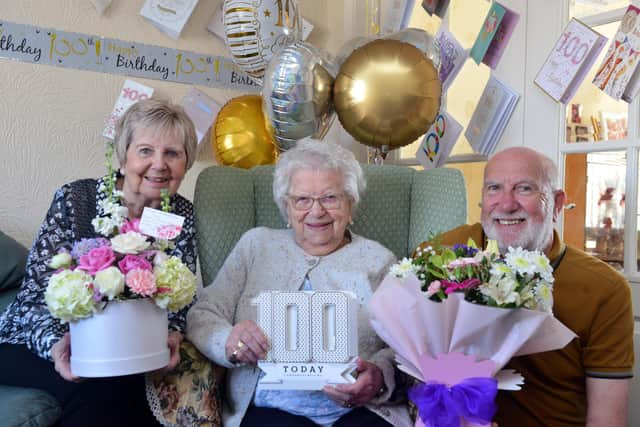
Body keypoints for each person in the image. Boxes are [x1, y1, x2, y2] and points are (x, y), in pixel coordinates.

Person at [0, 98, 199, 426]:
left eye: (173, 153)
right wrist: (57, 346)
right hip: (31, 341)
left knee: (139, 391)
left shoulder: (178, 213)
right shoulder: (77, 199)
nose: (159, 164)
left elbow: (178, 296)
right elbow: (35, 298)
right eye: (146, 150)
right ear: (123, 158)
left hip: (124, 348)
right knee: (101, 393)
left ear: (186, 164)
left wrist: (173, 334)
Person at [187, 139, 412, 427]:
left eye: (330, 198)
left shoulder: (379, 261)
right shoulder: (256, 245)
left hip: (360, 410)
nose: (316, 212)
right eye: (302, 200)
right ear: (286, 206)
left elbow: (408, 345)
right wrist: (229, 340)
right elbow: (203, 314)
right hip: (272, 410)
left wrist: (379, 377)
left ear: (350, 204)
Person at [418, 147, 633, 426]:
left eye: (525, 189)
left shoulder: (604, 289)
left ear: (556, 204)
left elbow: (606, 420)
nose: (506, 204)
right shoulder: (440, 255)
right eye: (494, 188)